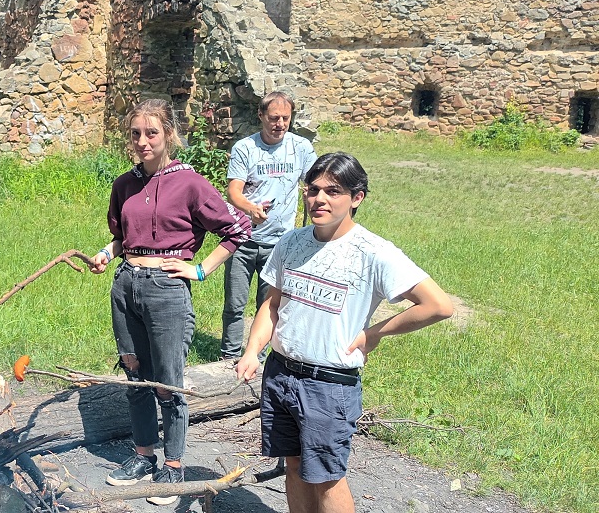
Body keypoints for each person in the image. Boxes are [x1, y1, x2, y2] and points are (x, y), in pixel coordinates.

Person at [234, 152, 454, 513]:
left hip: (328, 384)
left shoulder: (374, 252)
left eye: (333, 191)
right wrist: (251, 351)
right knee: (292, 466)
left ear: (356, 197)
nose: (319, 199)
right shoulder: (291, 242)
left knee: (325, 477)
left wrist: (375, 334)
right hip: (280, 372)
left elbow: (438, 305)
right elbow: (272, 305)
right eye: (313, 189)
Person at [89, 99, 251, 506]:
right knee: (135, 373)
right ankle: (144, 456)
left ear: (168, 135)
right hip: (125, 286)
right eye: (136, 134)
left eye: (151, 133)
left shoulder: (191, 183)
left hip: (166, 289)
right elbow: (123, 236)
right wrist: (107, 254)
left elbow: (237, 228)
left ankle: (174, 466)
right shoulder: (124, 184)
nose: (143, 141)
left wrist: (201, 270)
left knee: (168, 381)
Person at [220, 92, 316, 361]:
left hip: (280, 243)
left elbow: (314, 184)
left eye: (286, 118)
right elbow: (234, 191)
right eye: (274, 118)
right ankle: (228, 357)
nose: (280, 123)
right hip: (243, 240)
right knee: (235, 304)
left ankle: (258, 357)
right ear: (260, 116)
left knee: (269, 305)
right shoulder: (245, 148)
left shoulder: (301, 148)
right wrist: (250, 209)